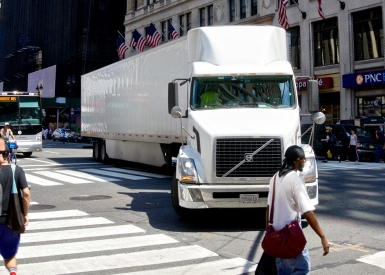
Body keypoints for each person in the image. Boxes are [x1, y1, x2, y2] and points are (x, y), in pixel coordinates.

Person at [266, 145, 329, 274]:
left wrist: (268, 232)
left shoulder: (274, 178)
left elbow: (268, 208)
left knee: (284, 271)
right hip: (289, 237)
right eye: (303, 160)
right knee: (301, 269)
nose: (304, 163)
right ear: (297, 160)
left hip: (276, 237)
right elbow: (307, 211)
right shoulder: (295, 179)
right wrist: (322, 236)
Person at [0, 138, 30, 275]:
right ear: (8, 154)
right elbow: (26, 194)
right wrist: (25, 214)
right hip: (11, 221)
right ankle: (12, 272)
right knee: (10, 255)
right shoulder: (16, 170)